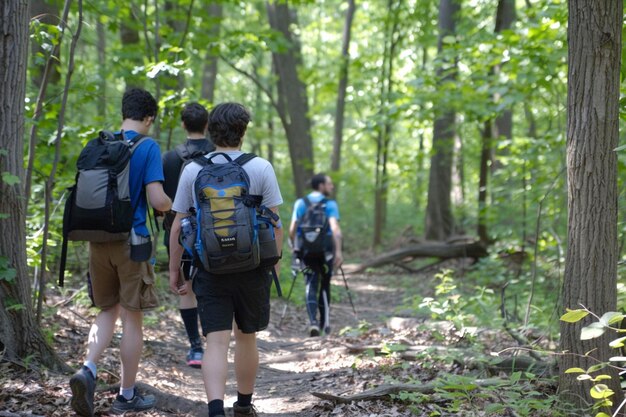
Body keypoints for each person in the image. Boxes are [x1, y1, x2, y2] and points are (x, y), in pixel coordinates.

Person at [168, 102, 283, 417]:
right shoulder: (261, 167)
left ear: (210, 131)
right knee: (247, 338)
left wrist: (175, 268)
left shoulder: (193, 169)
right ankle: (243, 406)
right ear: (243, 131)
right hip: (253, 266)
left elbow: (179, 224)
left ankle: (215, 410)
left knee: (216, 342)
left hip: (209, 267)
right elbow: (275, 223)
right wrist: (275, 267)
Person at [69, 88, 172, 417]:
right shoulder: (147, 146)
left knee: (105, 310)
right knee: (132, 318)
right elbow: (157, 200)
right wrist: (172, 207)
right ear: (149, 118)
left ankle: (87, 369)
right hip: (133, 242)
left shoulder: (101, 143)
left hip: (97, 239)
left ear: (123, 112)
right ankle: (126, 395)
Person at [161, 102, 215, 368]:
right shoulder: (218, 155)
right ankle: (214, 345)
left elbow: (163, 201)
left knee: (186, 291)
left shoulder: (169, 158)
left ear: (183, 124)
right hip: (215, 234)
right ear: (207, 125)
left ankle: (196, 348)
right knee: (214, 288)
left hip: (180, 234)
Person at [289, 174, 343, 337]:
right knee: (324, 286)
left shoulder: (301, 203)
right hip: (325, 251)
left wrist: (294, 246)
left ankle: (312, 322)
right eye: (329, 184)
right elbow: (335, 229)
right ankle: (325, 325)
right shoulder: (330, 204)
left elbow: (292, 229)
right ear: (320, 186)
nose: (331, 187)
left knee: (310, 285)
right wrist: (339, 251)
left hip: (305, 251)